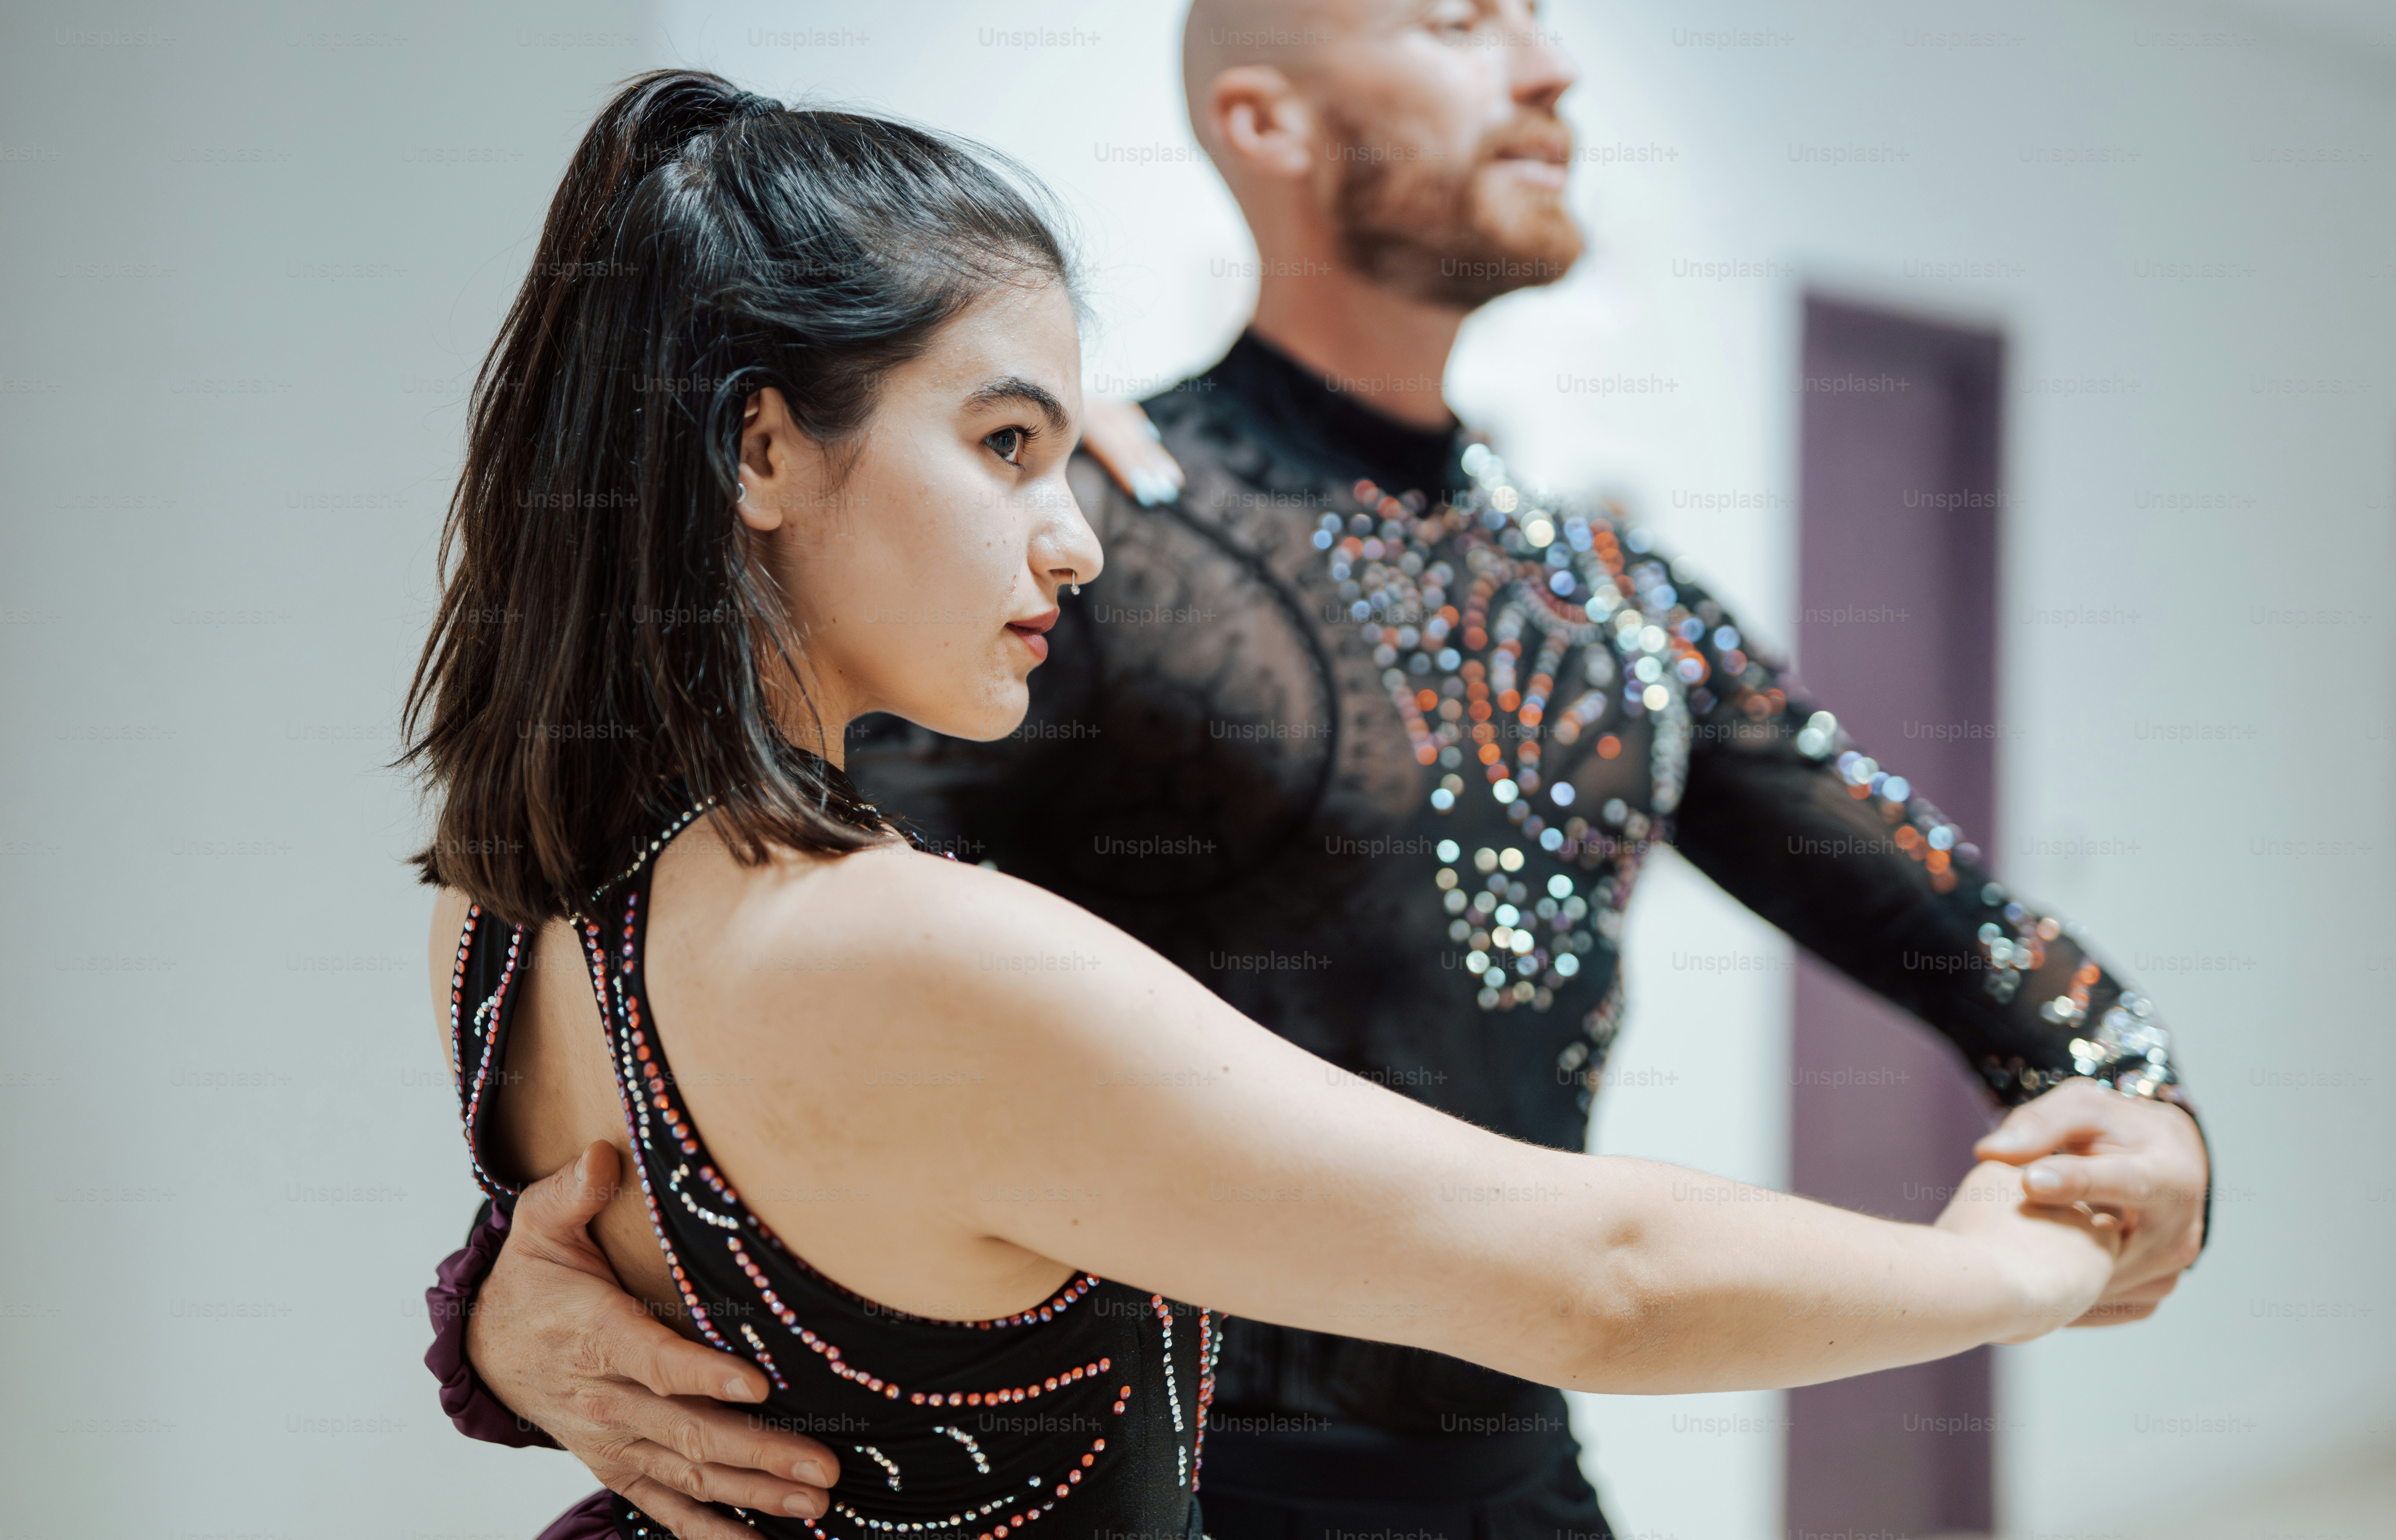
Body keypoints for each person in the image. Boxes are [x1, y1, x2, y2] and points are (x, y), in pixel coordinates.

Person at [426, 8, 2212, 1539]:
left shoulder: (1620, 600)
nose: (1547, 69)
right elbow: (765, 1032)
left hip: (1518, 1476)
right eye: (1456, 17)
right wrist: (519, 1292)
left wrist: (2146, 1113)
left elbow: (1988, 950)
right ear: (1262, 116)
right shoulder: (1112, 541)